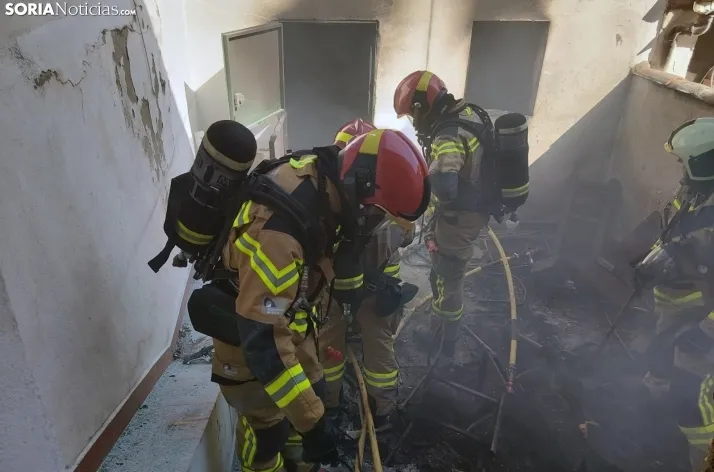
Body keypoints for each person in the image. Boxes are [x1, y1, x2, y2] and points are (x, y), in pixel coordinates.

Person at [200, 121, 430, 472]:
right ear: (359, 191)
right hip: (250, 345)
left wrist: (311, 420)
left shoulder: (327, 182)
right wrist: (314, 425)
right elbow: (264, 343)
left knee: (308, 411)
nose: (374, 229)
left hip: (291, 325)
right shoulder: (279, 235)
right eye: (377, 217)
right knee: (269, 435)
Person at [319, 119, 418, 432]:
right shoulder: (380, 198)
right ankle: (380, 411)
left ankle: (331, 408)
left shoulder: (330, 196)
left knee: (331, 339)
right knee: (376, 342)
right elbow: (407, 233)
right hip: (369, 287)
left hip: (348, 287)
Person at [393, 70, 492, 362]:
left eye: (411, 113)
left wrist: (421, 187)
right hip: (473, 210)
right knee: (446, 275)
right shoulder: (468, 113)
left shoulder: (447, 135)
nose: (413, 121)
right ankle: (445, 336)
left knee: (446, 278)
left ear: (421, 106)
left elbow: (446, 187)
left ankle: (443, 343)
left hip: (458, 219)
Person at [635, 117, 714, 472]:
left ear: (704, 162)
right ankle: (662, 439)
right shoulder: (697, 194)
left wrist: (706, 332)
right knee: (659, 366)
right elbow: (674, 236)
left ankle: (704, 460)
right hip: (679, 309)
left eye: (685, 162)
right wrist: (650, 264)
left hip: (703, 320)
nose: (680, 171)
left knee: (693, 399)